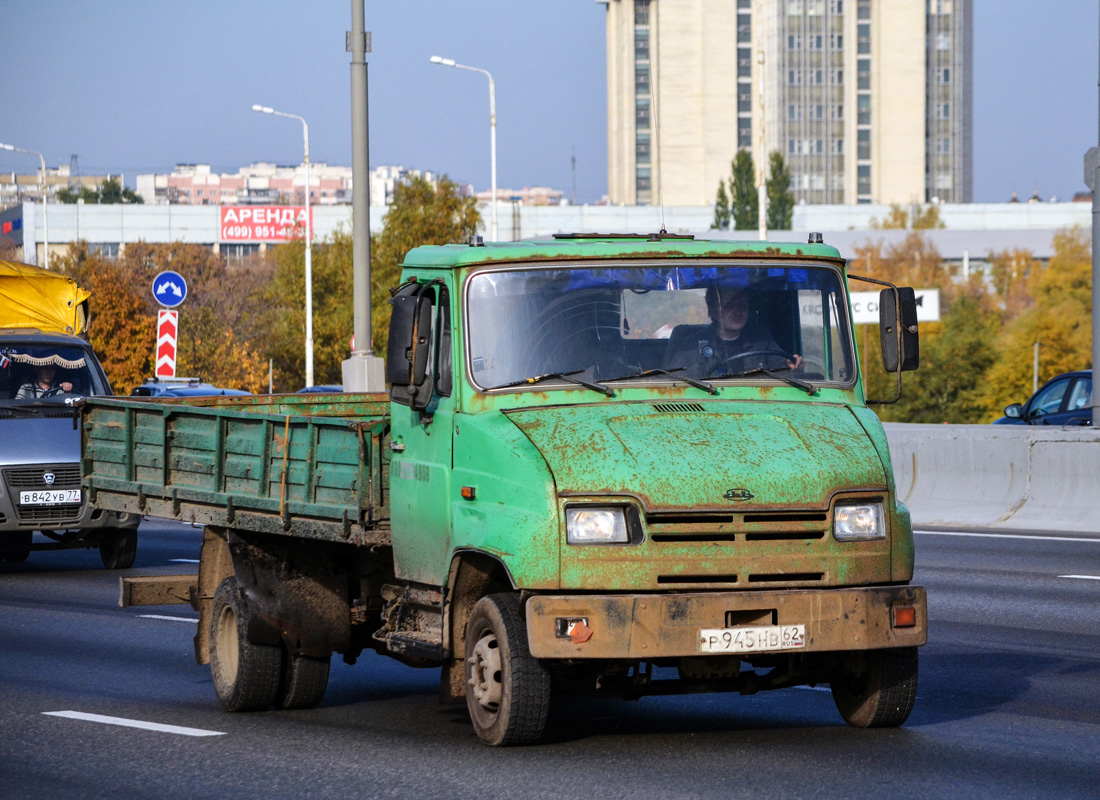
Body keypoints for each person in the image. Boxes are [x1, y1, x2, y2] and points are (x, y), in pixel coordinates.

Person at [663, 285, 803, 378]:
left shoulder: (761, 339)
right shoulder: (692, 345)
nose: (738, 312)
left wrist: (790, 365)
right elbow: (672, 380)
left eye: (742, 305)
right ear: (714, 311)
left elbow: (780, 365)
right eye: (730, 306)